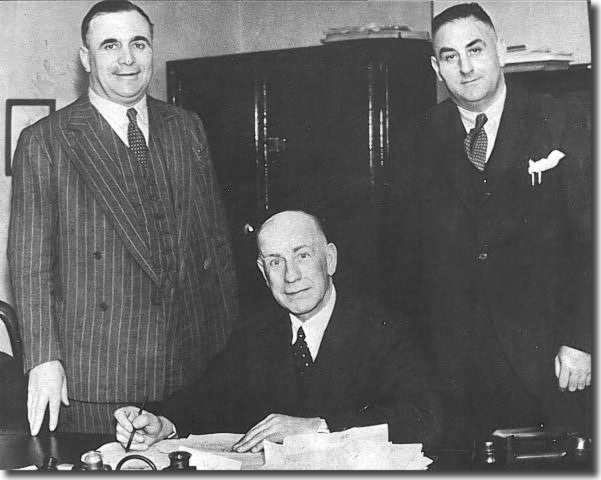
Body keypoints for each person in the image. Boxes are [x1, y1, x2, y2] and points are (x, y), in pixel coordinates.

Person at [8, 0, 238, 435]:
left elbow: (214, 243)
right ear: (86, 58)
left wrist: (230, 348)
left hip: (191, 369)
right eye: (110, 45)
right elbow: (29, 264)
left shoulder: (186, 126)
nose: (127, 59)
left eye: (139, 43)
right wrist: (42, 359)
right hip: (98, 373)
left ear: (152, 49)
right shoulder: (48, 141)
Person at [386, 3, 592, 445]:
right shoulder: (416, 139)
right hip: (451, 370)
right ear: (436, 68)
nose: (465, 67)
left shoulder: (563, 120)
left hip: (549, 361)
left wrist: (583, 338)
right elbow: (402, 260)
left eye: (475, 49)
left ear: (499, 49)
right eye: (449, 56)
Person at [113, 210, 442, 452]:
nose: (291, 276)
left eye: (302, 255)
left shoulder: (384, 327)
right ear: (262, 271)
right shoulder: (256, 330)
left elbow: (424, 418)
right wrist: (162, 423)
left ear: (329, 259)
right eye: (275, 261)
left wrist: (317, 427)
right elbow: (210, 397)